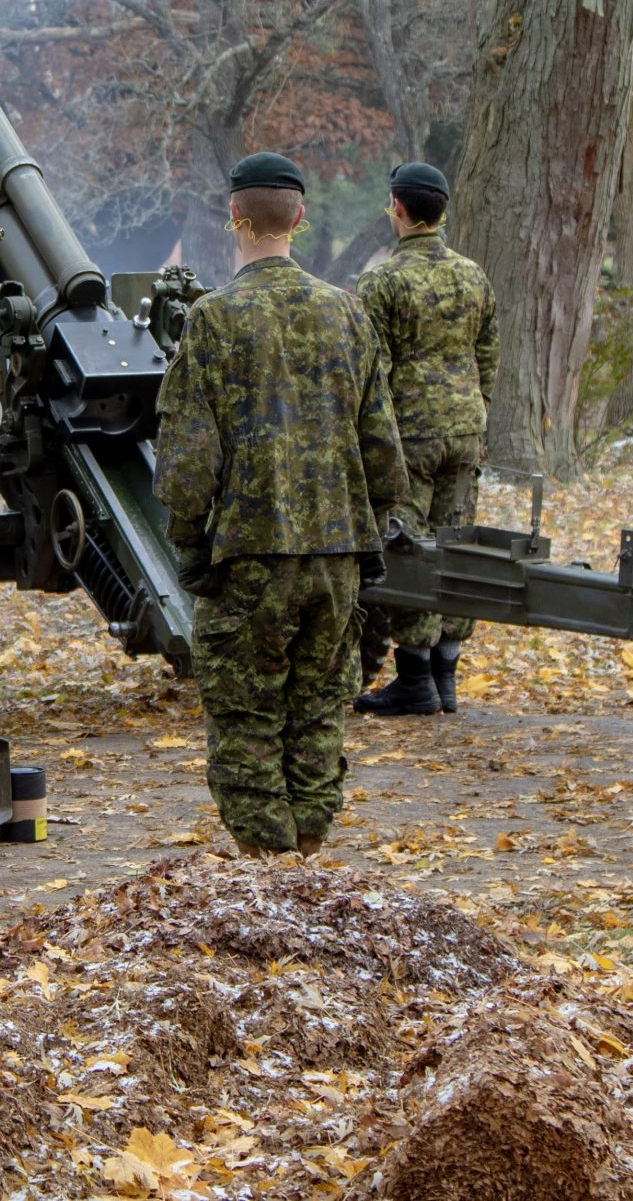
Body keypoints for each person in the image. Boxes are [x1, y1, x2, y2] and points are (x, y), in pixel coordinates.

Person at [155, 152, 408, 857]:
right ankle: (309, 852)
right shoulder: (348, 315)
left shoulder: (213, 319)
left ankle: (266, 865)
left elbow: (186, 457)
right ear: (300, 218)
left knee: (246, 717)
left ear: (234, 217)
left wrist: (188, 544)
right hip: (336, 559)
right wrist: (375, 529)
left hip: (247, 556)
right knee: (318, 711)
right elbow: (383, 450)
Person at [351, 160, 499, 717]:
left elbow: (374, 371)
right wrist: (477, 412)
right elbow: (488, 354)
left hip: (409, 435)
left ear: (397, 208)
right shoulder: (473, 275)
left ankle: (416, 679)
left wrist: (376, 444)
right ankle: (447, 675)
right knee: (456, 547)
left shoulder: (382, 281)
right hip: (465, 428)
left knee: (408, 549)